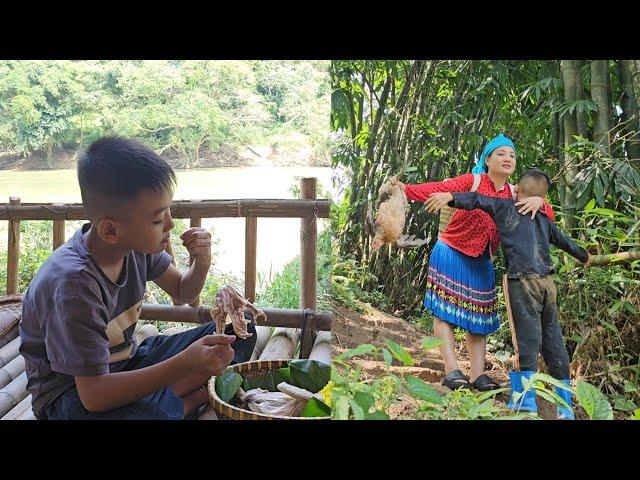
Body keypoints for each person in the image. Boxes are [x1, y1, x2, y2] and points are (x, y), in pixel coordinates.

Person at [19, 136, 256, 420]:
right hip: (70, 396)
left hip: (128, 362)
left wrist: (202, 261)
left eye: (168, 211)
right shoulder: (74, 286)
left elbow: (181, 292)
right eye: (157, 219)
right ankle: (191, 398)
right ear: (110, 231)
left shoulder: (135, 247)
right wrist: (184, 363)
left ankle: (173, 398)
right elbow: (93, 396)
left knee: (241, 331)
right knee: (145, 415)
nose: (170, 224)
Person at [393, 134, 554, 391]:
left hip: (482, 259)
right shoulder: (473, 181)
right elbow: (437, 189)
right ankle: (452, 370)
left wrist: (540, 201)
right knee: (445, 312)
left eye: (512, 155)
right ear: (487, 159)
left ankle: (478, 375)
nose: (507, 159)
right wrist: (404, 189)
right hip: (451, 251)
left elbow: (548, 219)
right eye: (501, 153)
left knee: (478, 319)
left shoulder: (516, 194)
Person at [435, 167, 591, 419]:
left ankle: (525, 402)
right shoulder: (544, 220)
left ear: (518, 191)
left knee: (526, 339)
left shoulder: (506, 207)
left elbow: (477, 200)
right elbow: (566, 242)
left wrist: (450, 197)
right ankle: (565, 408)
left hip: (522, 282)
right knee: (553, 339)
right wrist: (585, 256)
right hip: (547, 284)